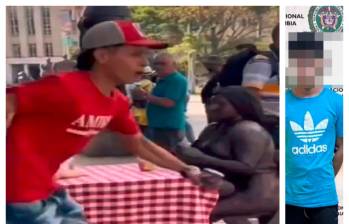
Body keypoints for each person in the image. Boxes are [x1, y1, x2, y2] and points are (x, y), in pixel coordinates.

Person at [6, 20, 206, 224]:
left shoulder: (117, 102)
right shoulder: (65, 87)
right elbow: (10, 99)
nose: (145, 63)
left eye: (146, 55)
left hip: (46, 189)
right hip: (16, 195)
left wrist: (186, 169)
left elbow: (140, 144)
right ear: (102, 56)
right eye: (136, 54)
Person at [176, 86, 279, 224]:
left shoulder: (248, 130)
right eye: (211, 103)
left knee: (201, 212)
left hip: (257, 192)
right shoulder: (214, 128)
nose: (212, 107)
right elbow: (194, 153)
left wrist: (202, 159)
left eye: (220, 104)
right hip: (225, 186)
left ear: (239, 105)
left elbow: (247, 167)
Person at [285, 32, 343, 224]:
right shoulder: (282, 103)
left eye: (312, 63)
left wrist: (324, 179)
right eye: (301, 64)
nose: (307, 70)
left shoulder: (337, 102)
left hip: (324, 199)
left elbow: (342, 147)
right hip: (287, 200)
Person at [135, 53, 188, 152]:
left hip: (169, 127)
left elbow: (169, 103)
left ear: (174, 65)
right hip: (158, 125)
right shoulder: (162, 80)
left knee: (169, 156)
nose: (158, 66)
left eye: (163, 63)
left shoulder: (177, 80)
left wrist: (147, 96)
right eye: (156, 63)